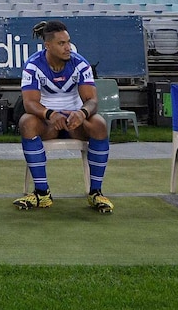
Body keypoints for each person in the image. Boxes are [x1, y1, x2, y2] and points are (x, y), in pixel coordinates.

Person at [15, 20, 114, 214]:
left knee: (99, 124)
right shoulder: (33, 65)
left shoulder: (80, 63)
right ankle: (42, 193)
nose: (68, 47)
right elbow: (29, 103)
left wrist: (81, 113)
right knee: (26, 122)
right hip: (48, 124)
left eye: (68, 42)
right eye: (61, 43)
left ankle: (96, 192)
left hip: (74, 123)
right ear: (48, 45)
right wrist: (50, 114)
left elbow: (92, 100)